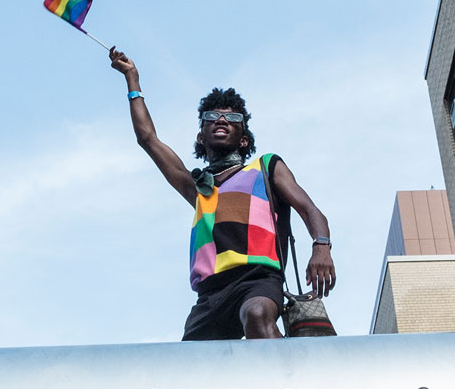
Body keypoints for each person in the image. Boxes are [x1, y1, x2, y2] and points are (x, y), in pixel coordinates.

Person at [109, 47, 335, 340]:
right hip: (210, 292)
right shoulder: (198, 187)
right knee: (193, 365)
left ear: (243, 139)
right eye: (212, 116)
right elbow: (148, 139)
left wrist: (321, 246)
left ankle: (284, 381)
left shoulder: (265, 167)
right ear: (201, 137)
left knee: (256, 314)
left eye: (232, 117)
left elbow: (310, 209)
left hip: (258, 278)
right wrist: (132, 79)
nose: (221, 120)